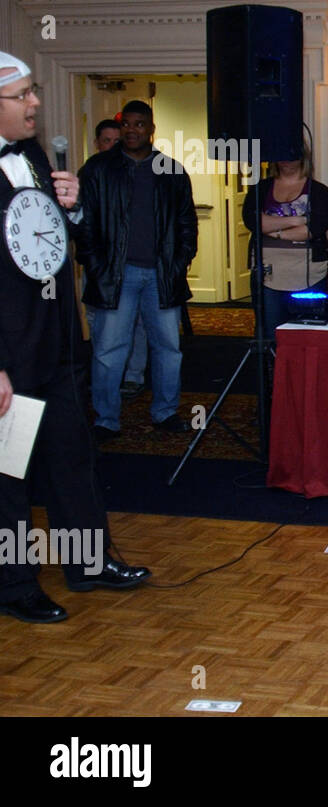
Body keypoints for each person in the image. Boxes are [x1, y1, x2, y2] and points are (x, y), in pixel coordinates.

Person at [0, 51, 151, 623]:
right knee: (9, 474)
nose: (35, 102)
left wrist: (74, 208)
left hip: (58, 339)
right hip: (10, 351)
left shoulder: (35, 157)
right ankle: (15, 585)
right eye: (22, 95)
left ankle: (88, 562)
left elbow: (61, 243)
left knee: (73, 457)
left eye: (33, 90)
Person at [78, 99, 197, 441]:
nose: (131, 130)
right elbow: (83, 224)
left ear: (151, 129)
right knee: (108, 351)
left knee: (168, 350)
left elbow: (187, 223)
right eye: (126, 124)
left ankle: (165, 412)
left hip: (161, 275)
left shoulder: (171, 171)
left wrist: (179, 262)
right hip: (116, 275)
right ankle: (105, 419)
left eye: (139, 124)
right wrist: (96, 266)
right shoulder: (98, 169)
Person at [84, 117, 148, 401]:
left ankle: (133, 375)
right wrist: (93, 260)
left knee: (136, 321)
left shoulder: (133, 172)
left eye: (116, 140)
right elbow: (81, 222)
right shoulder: (90, 173)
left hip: (131, 263)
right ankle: (106, 383)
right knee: (99, 322)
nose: (111, 145)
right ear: (97, 144)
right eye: (106, 141)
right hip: (100, 263)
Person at [241, 144, 328, 344]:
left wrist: (274, 230)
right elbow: (253, 221)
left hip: (309, 273)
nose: (286, 160)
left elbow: (313, 229)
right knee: (270, 335)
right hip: (268, 274)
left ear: (303, 156)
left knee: (306, 337)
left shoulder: (318, 191)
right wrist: (296, 220)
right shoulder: (261, 188)